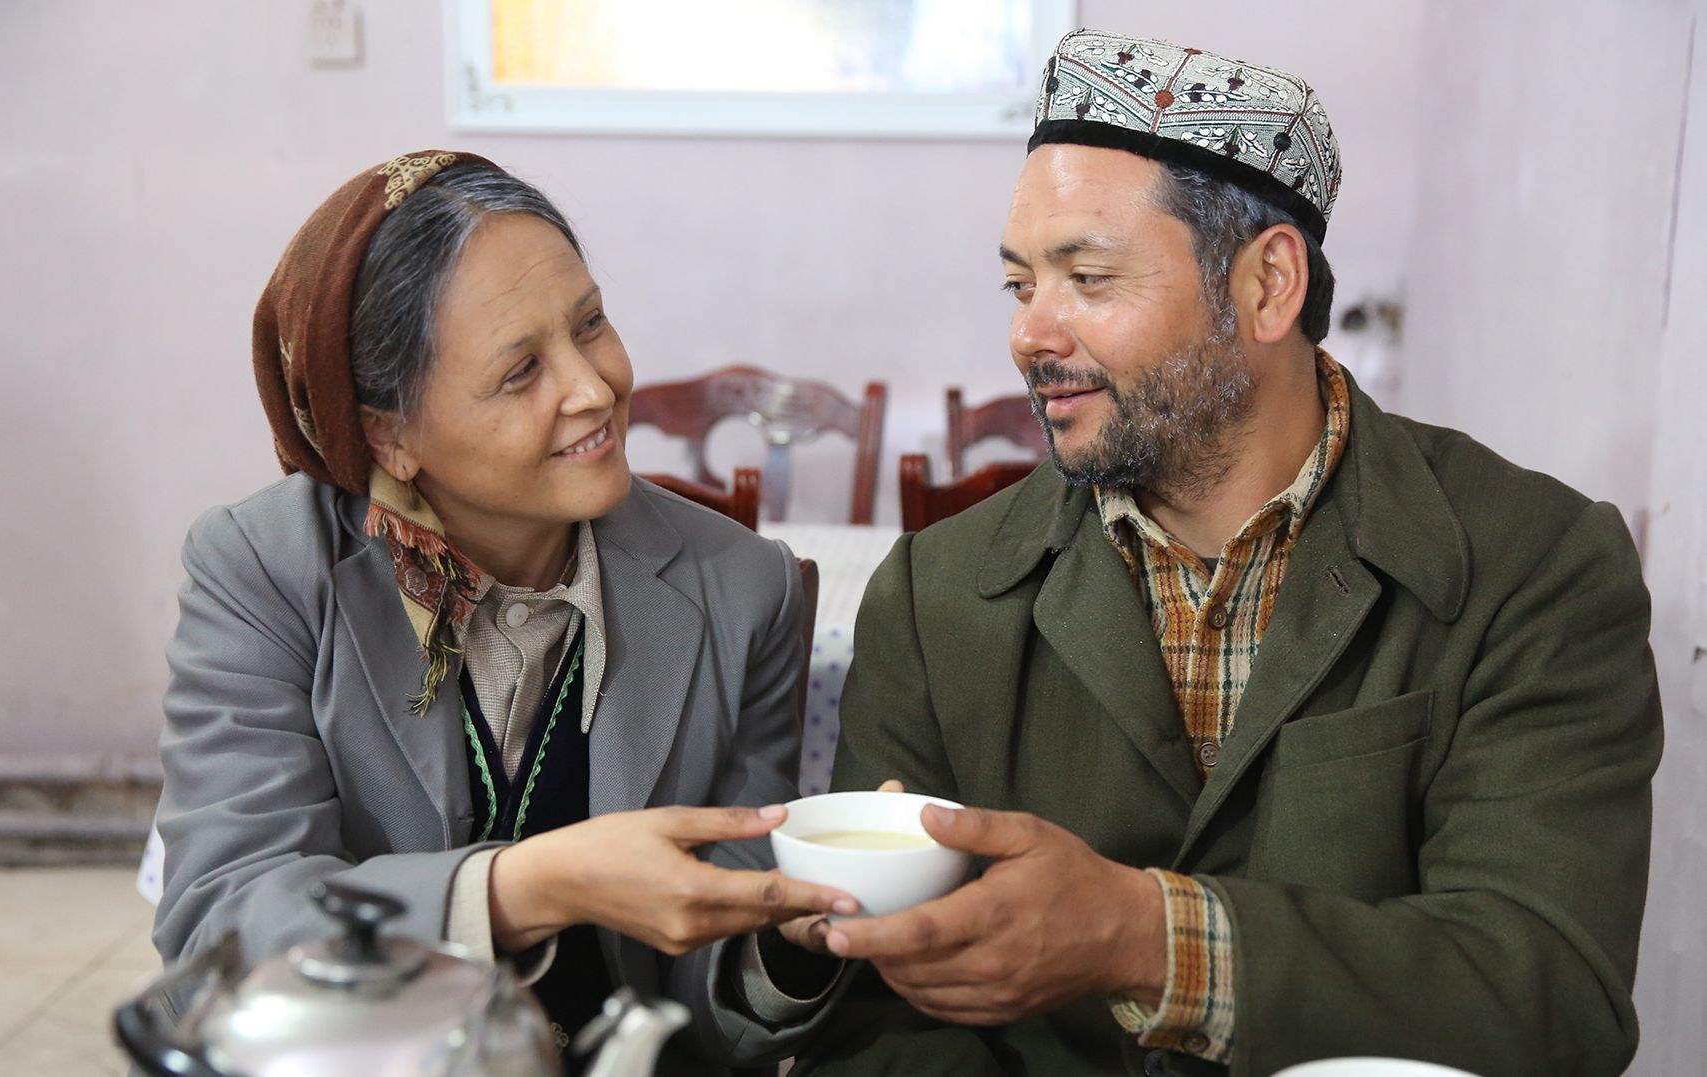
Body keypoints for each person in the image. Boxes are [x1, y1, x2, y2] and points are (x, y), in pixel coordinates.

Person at [796, 29, 1662, 1077]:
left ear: (1266, 287)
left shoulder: (1530, 566)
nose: (1031, 332)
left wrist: (1139, 936)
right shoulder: (936, 595)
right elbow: (873, 1021)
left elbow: (1549, 993)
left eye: (1087, 276)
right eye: (1019, 284)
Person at [152, 150, 853, 1072]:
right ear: (387, 433)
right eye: (522, 370)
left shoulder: (740, 585)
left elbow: (710, 976)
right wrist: (523, 887)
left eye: (591, 323)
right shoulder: (269, 570)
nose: (594, 387)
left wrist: (783, 939)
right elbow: (224, 918)